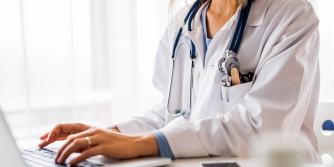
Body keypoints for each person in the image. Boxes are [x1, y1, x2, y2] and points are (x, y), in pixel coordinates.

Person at [38, 0, 321, 165]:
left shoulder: (292, 15)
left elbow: (263, 130)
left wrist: (144, 143)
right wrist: (111, 133)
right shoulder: (183, 23)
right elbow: (171, 114)